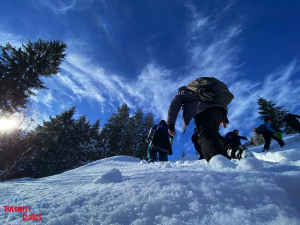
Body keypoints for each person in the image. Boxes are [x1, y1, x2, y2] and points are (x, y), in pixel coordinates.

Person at [167, 78, 252, 162]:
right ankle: (234, 150)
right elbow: (216, 102)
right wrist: (224, 117)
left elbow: (174, 105)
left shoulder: (183, 92)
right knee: (211, 135)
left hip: (203, 111)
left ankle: (220, 159)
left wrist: (170, 123)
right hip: (219, 111)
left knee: (205, 134)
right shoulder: (203, 91)